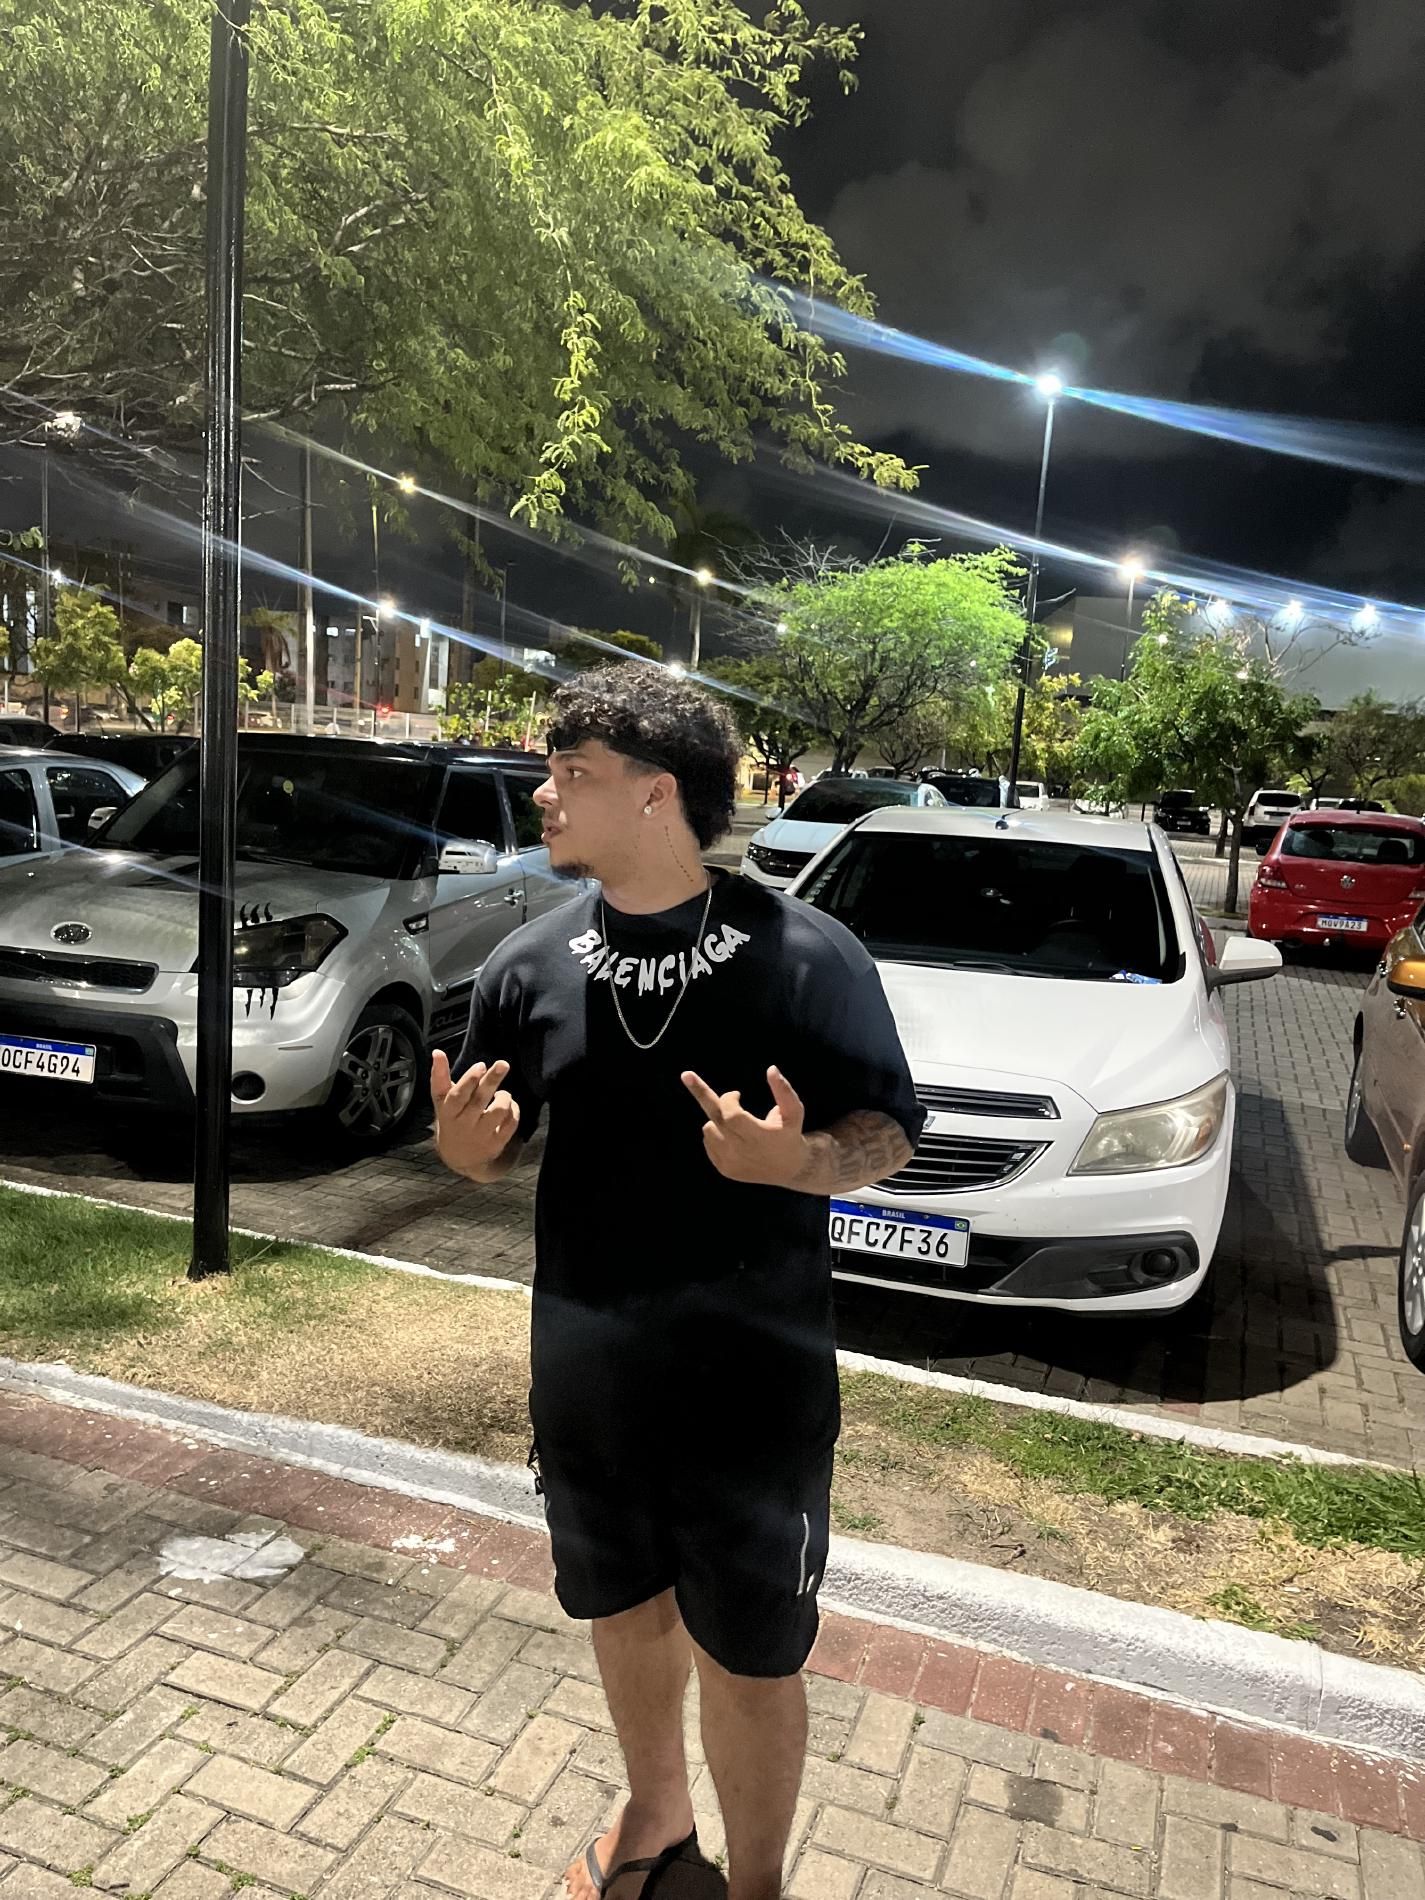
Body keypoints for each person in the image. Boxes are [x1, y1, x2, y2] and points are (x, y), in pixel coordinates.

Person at [432, 664, 923, 1900]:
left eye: (573, 774)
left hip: (753, 1389)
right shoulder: (528, 963)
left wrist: (800, 1161)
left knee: (752, 1655)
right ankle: (656, 1815)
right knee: (621, 1603)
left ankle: (756, 1886)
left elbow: (892, 1131)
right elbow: (486, 1147)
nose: (544, 795)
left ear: (657, 795)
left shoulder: (807, 955)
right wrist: (465, 1150)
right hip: (588, 1372)